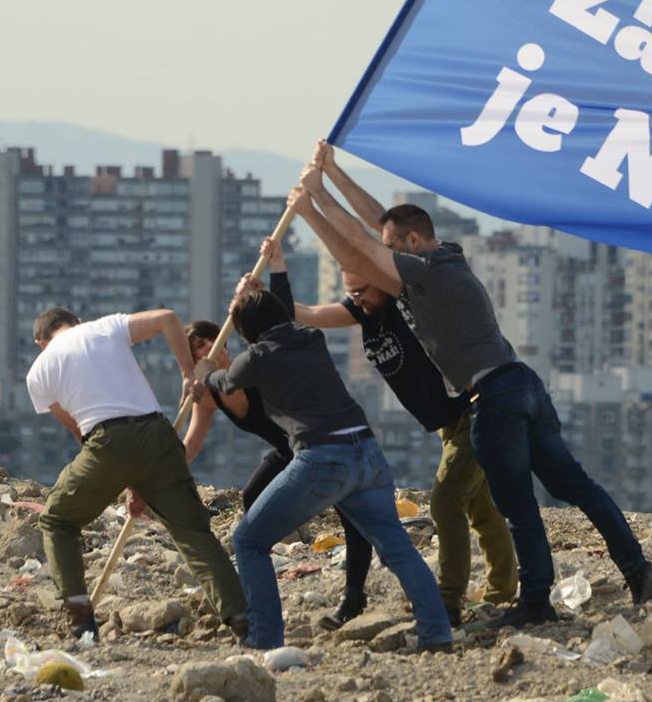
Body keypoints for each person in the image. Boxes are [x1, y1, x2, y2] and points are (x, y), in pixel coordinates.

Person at [288, 143, 652, 628]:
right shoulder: (447, 260)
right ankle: (637, 569)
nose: (387, 260)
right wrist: (332, 176)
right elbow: (382, 227)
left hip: (494, 400)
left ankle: (534, 601)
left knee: (519, 508)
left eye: (395, 249)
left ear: (417, 241)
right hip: (523, 385)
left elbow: (362, 253)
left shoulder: (427, 277)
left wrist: (312, 208)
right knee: (578, 487)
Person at [260, 233, 518, 626]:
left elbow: (384, 251)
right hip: (445, 425)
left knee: (446, 498)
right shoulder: (363, 312)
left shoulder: (406, 305)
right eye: (351, 292)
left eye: (362, 290)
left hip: (471, 411)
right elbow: (305, 314)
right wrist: (272, 272)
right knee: (478, 505)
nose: (357, 298)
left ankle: (448, 599)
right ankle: (503, 587)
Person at [192, 278, 453, 653]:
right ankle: (437, 635)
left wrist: (203, 373)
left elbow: (226, 381)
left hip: (323, 458)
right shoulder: (310, 337)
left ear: (248, 334)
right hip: (367, 452)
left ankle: (263, 639)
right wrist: (257, 290)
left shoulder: (257, 357)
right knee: (398, 550)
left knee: (249, 540)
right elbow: (279, 313)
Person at [26, 304, 247, 642]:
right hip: (159, 435)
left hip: (106, 442)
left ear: (41, 342)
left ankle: (80, 620)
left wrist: (125, 479)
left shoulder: (38, 372)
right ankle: (242, 618)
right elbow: (169, 319)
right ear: (77, 322)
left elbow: (81, 435)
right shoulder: (104, 327)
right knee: (193, 534)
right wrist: (189, 374)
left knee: (57, 520)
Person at [180, 311, 372, 629]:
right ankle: (260, 588)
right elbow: (191, 445)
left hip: (320, 440)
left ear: (221, 340)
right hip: (287, 450)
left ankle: (353, 598)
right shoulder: (207, 395)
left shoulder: (248, 366)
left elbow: (243, 392)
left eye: (205, 343)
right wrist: (155, 475)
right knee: (252, 496)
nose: (203, 352)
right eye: (194, 351)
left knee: (354, 516)